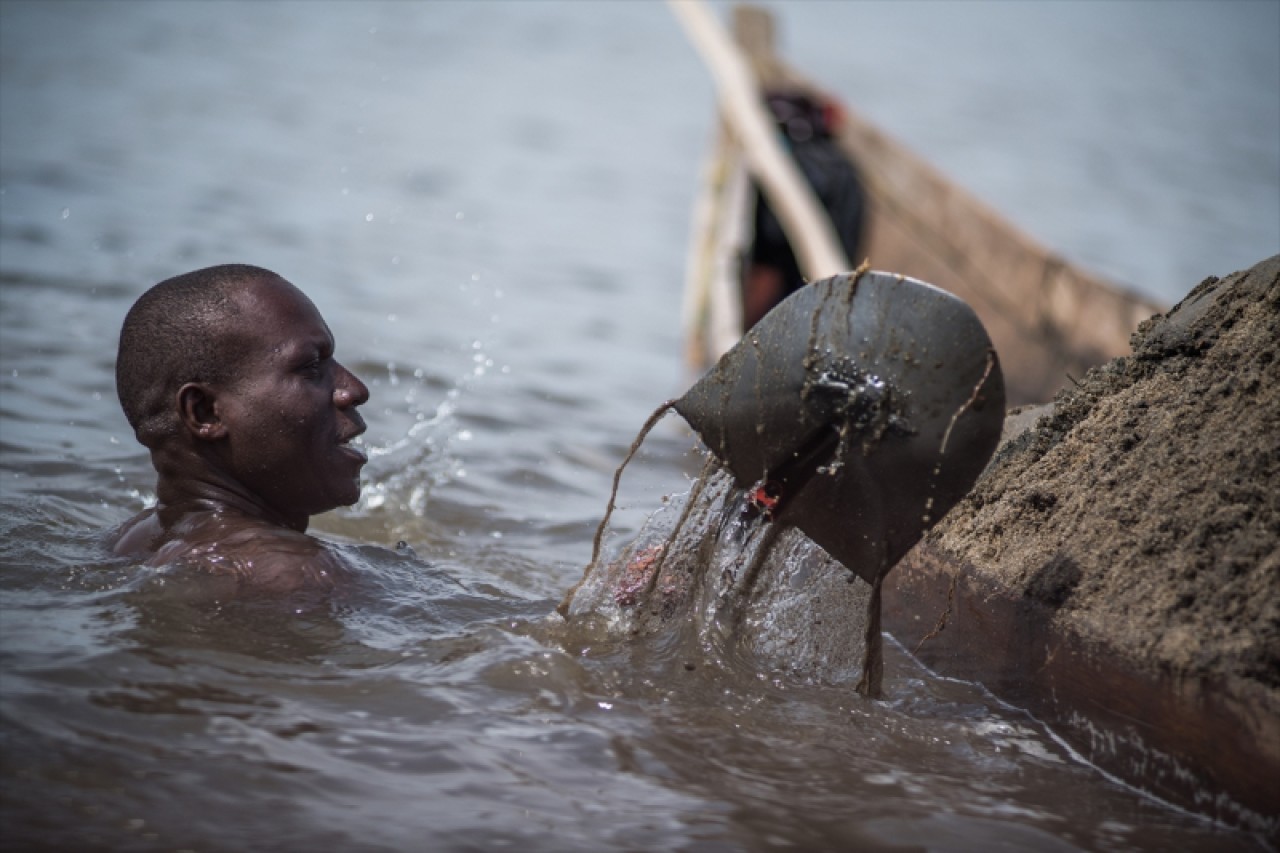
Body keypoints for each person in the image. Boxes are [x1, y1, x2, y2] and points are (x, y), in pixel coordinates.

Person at [111, 264, 371, 594]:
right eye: (310, 367)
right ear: (205, 413)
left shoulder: (132, 540)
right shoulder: (291, 573)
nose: (355, 390)